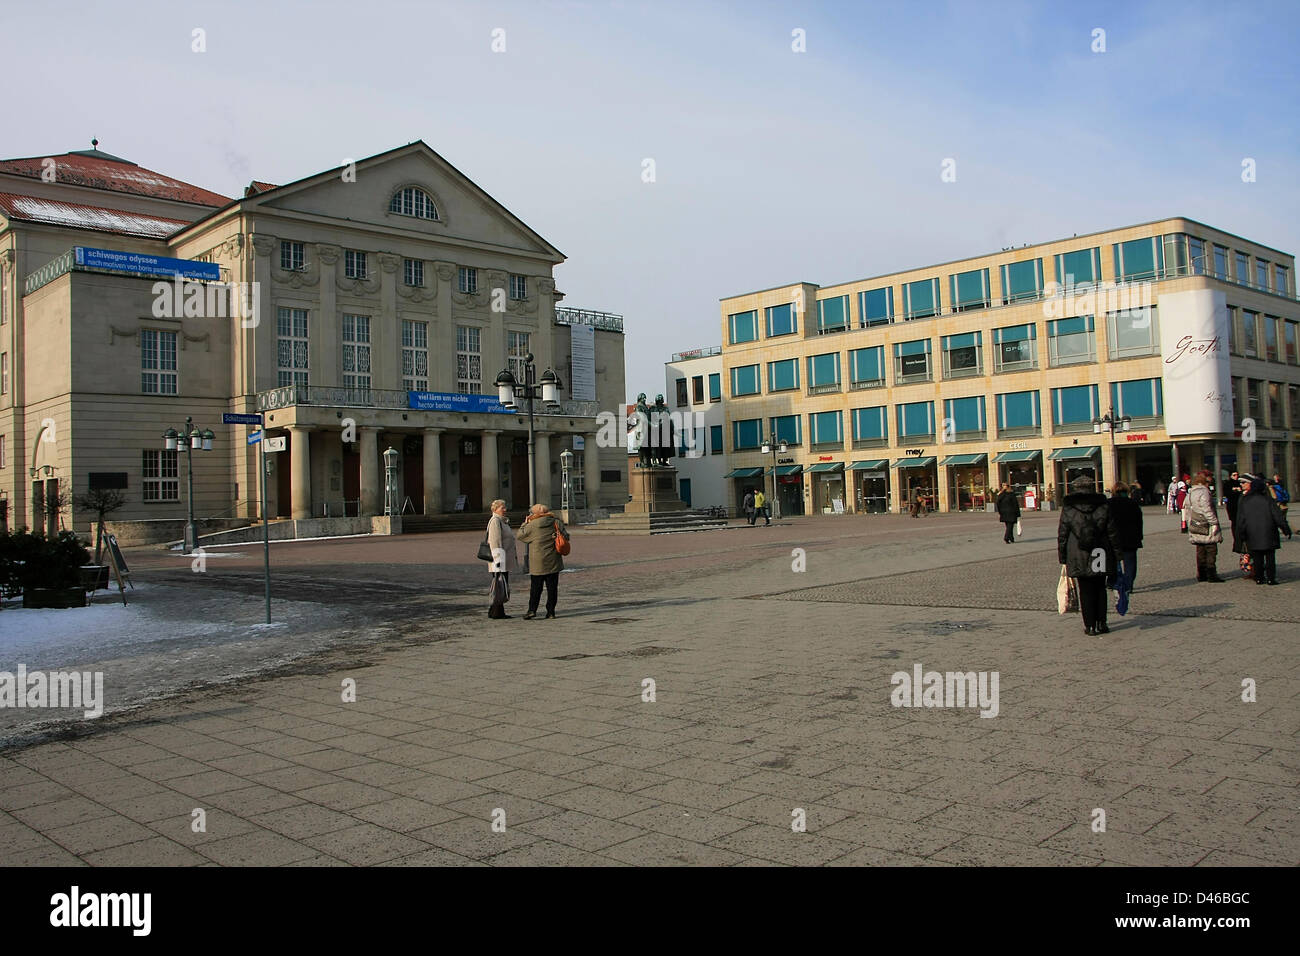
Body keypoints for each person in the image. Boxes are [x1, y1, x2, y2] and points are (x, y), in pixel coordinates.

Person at [1058, 475, 1121, 636]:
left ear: (1075, 488)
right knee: (1100, 587)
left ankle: (1090, 625)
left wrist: (1063, 556)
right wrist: (1117, 554)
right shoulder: (1103, 505)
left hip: (1078, 552)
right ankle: (1101, 623)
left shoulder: (1069, 508)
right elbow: (1112, 531)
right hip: (1100, 551)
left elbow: (1063, 534)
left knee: (1085, 590)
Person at [514, 503, 569, 618]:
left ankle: (532, 610)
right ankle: (550, 612)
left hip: (537, 561)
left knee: (536, 588)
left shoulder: (532, 524)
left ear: (535, 514)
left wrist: (525, 523)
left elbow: (520, 535)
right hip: (553, 560)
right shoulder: (556, 522)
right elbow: (566, 536)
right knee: (552, 588)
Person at [1237, 478, 1293, 586]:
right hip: (1269, 532)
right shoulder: (1268, 500)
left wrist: (1241, 534)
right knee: (1270, 557)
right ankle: (1271, 578)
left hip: (1252, 533)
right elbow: (1278, 517)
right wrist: (1285, 529)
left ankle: (1259, 578)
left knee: (1257, 557)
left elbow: (1241, 520)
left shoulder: (1246, 501)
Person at [1184, 471, 1225, 583]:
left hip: (1196, 524)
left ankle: (1201, 574)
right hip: (1206, 524)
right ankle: (1211, 574)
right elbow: (1207, 509)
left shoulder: (1190, 493)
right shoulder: (1204, 492)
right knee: (1211, 550)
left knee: (1200, 550)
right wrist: (1214, 522)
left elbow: (1187, 509)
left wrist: (1189, 522)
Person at [485, 499, 518, 619]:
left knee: (501, 585)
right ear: (495, 509)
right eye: (502, 508)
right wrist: (498, 561)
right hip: (499, 560)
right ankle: (497, 612)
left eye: (505, 507)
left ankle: (495, 610)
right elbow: (495, 542)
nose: (505, 509)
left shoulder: (502, 521)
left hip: (503, 559)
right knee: (499, 586)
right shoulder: (495, 521)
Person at [1107, 482, 1143, 590]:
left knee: (1113, 561)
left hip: (1113, 538)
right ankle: (1128, 584)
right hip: (1130, 538)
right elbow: (1139, 522)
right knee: (1130, 563)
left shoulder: (1108, 504)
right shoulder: (1133, 503)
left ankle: (1113, 581)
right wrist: (1139, 536)